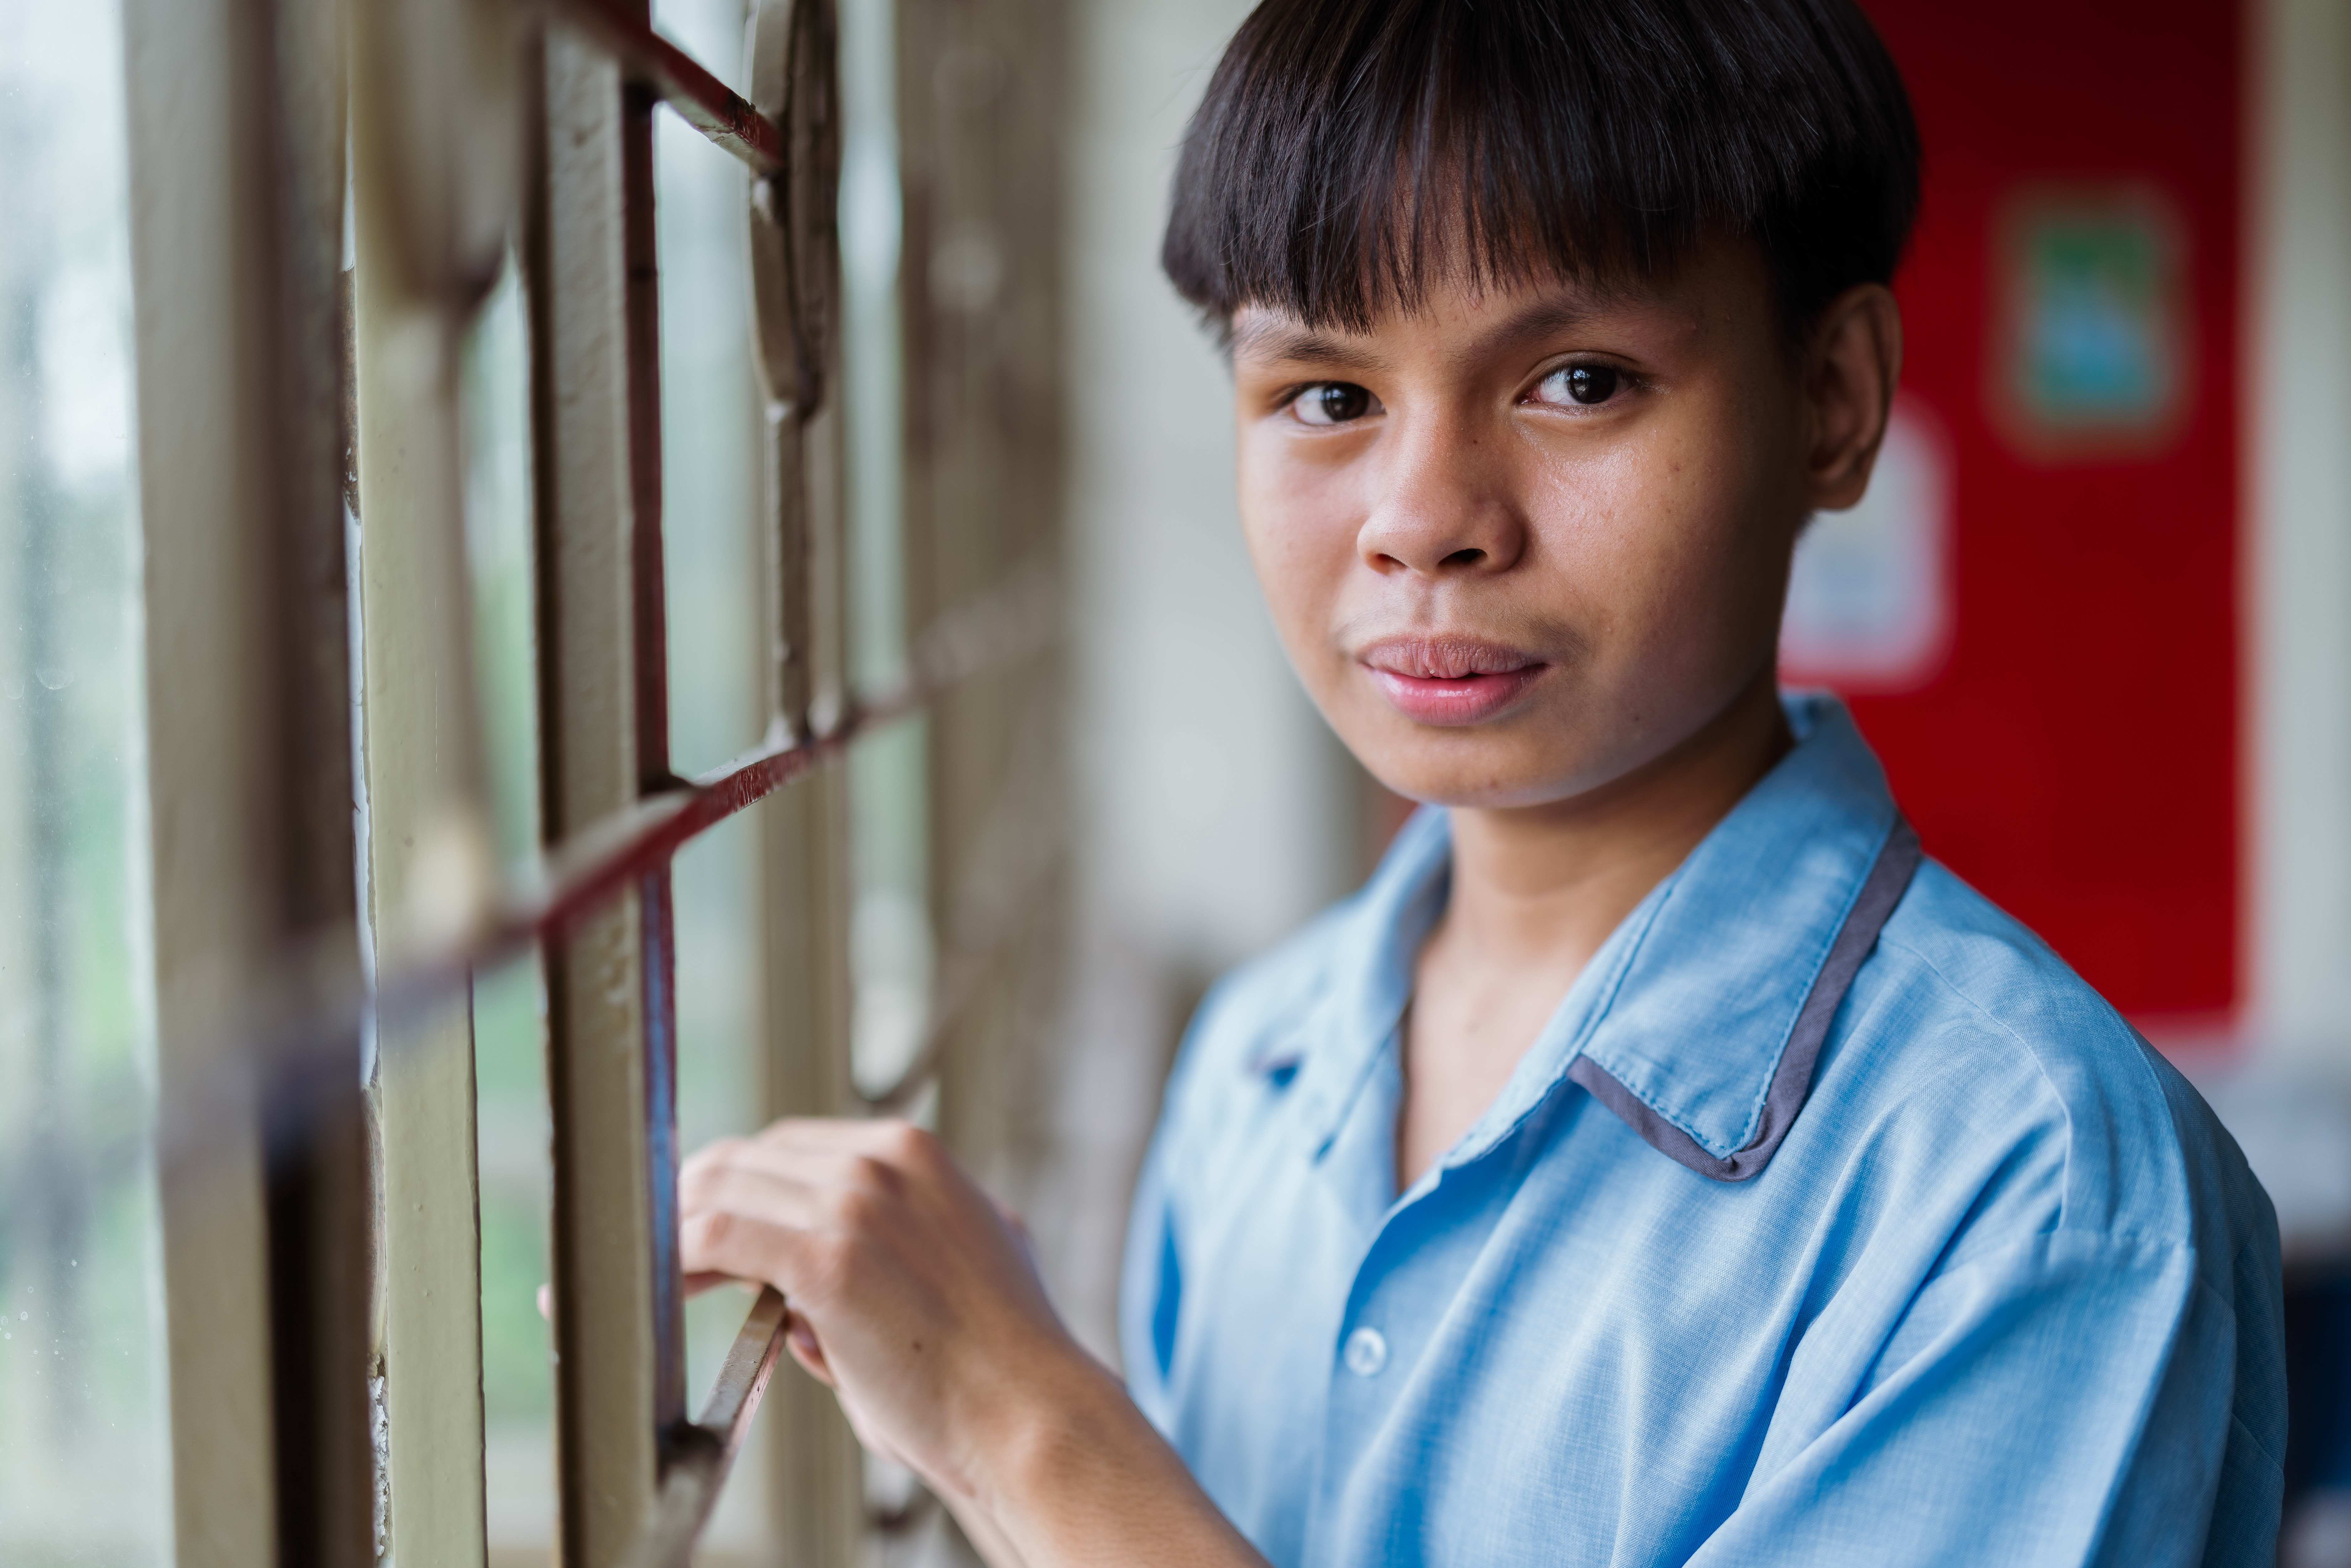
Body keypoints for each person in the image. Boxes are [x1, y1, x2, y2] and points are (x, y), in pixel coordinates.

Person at [676, 0, 2287, 1562]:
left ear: (1832, 399)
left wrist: (1016, 1424)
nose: (1424, 517)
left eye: (1577, 379)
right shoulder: (1261, 1065)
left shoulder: (2034, 1196)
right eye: (1327, 396)